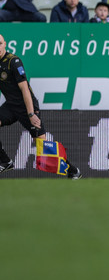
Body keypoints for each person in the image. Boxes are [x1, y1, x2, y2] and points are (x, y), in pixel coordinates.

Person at [0, 34, 81, 179]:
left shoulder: (14, 61)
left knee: (43, 146)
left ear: (5, 43)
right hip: (10, 106)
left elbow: (25, 90)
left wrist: (31, 114)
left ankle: (73, 170)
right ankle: (6, 162)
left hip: (27, 107)